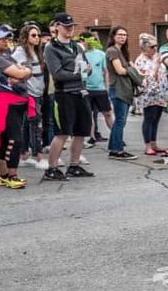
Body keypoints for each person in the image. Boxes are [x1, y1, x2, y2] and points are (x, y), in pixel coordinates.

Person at [42, 13, 95, 180]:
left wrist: (87, 70)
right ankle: (51, 168)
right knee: (63, 132)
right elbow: (57, 74)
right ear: (57, 27)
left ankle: (74, 165)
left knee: (81, 131)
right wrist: (80, 73)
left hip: (81, 92)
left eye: (72, 26)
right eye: (66, 26)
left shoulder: (77, 46)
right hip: (64, 94)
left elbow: (88, 67)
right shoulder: (51, 48)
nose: (70, 29)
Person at [0, 24, 32, 188]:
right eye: (1, 38)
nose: (6, 41)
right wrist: (24, 72)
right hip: (3, 103)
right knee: (15, 139)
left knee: (6, 139)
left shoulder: (5, 56)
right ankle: (12, 176)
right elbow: (22, 72)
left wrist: (22, 73)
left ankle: (3, 175)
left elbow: (23, 72)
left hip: (11, 101)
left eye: (6, 37)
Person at [12, 24, 46, 168]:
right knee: (35, 124)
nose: (37, 38)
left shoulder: (37, 52)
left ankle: (24, 154)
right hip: (27, 93)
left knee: (28, 124)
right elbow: (13, 69)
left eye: (38, 35)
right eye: (33, 35)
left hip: (38, 92)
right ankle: (38, 156)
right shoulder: (20, 52)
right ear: (25, 37)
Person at [104, 25, 138, 161]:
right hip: (118, 88)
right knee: (120, 120)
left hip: (125, 88)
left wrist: (131, 69)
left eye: (125, 35)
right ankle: (117, 150)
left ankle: (114, 148)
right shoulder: (112, 51)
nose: (123, 37)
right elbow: (120, 70)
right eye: (120, 35)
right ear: (113, 36)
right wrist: (131, 70)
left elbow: (130, 67)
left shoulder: (122, 51)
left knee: (120, 121)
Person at [133, 34, 168, 155]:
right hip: (148, 95)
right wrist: (158, 64)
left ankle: (154, 143)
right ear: (144, 48)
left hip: (160, 93)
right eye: (152, 47)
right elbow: (150, 78)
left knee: (156, 119)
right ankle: (147, 145)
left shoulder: (155, 57)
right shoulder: (141, 61)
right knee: (149, 119)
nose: (155, 49)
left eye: (156, 46)